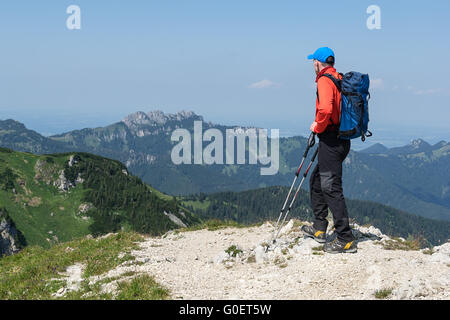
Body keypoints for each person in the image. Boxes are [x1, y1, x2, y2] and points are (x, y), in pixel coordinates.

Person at [301, 47, 357, 253]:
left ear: (318, 62)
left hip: (332, 140)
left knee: (330, 186)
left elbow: (325, 109)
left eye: (313, 61)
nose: (312, 65)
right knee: (317, 181)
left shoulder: (325, 80)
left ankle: (345, 238)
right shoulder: (338, 77)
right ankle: (319, 228)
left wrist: (318, 125)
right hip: (341, 139)